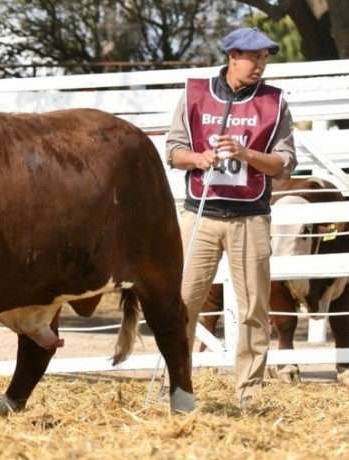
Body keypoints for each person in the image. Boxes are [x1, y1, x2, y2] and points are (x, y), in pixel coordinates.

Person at [164, 27, 297, 409]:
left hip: (250, 218)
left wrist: (246, 154)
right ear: (232, 56)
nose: (261, 64)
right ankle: (178, 388)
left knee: (254, 307)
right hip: (199, 214)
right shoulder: (194, 93)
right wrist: (197, 159)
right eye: (254, 57)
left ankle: (249, 392)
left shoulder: (275, 102)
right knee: (182, 303)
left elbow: (284, 165)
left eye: (266, 57)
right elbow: (173, 150)